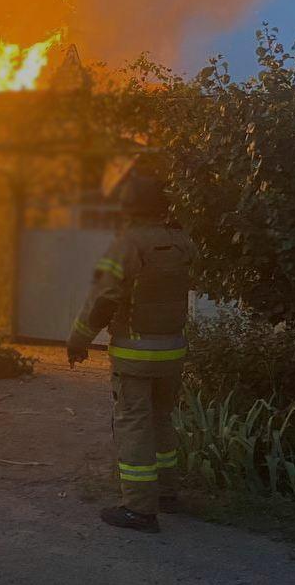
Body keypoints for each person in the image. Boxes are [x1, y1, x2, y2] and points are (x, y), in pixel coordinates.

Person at [66, 175, 197, 533]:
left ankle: (139, 509)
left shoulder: (127, 245)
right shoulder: (182, 241)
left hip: (135, 354)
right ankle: (167, 494)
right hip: (172, 350)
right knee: (161, 419)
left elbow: (102, 299)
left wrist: (78, 340)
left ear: (128, 209)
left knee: (134, 425)